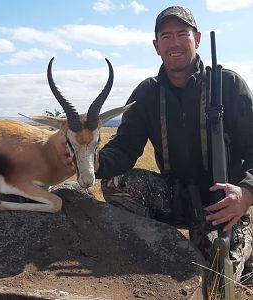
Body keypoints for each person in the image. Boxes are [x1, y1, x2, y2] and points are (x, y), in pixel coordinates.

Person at [60, 6, 253, 282]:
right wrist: (96, 161)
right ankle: (149, 248)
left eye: (182, 34)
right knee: (116, 183)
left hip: (221, 205)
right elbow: (125, 148)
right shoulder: (147, 92)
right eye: (166, 36)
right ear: (156, 46)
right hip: (173, 196)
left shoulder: (229, 85)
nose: (174, 43)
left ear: (196, 39)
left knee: (219, 275)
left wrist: (245, 193)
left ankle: (242, 250)